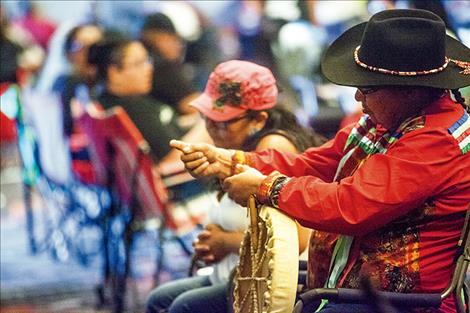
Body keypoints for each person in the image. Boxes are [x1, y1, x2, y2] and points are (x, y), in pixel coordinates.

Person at [171, 9, 470, 313]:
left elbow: (350, 204)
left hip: (406, 304)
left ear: (408, 91)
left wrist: (267, 188)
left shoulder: (435, 141)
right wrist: (234, 160)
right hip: (356, 288)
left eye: (367, 88)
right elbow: (316, 164)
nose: (357, 97)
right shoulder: (393, 119)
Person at [146, 60, 321, 313]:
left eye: (223, 122)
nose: (212, 129)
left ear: (258, 119)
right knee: (159, 299)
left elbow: (295, 243)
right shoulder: (237, 145)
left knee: (181, 307)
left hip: (272, 285)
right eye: (208, 119)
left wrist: (225, 241)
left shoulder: (273, 148)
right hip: (234, 272)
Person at [140, 12, 200, 116]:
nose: (179, 46)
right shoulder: (162, 66)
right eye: (174, 39)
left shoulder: (151, 61)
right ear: (157, 37)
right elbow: (195, 106)